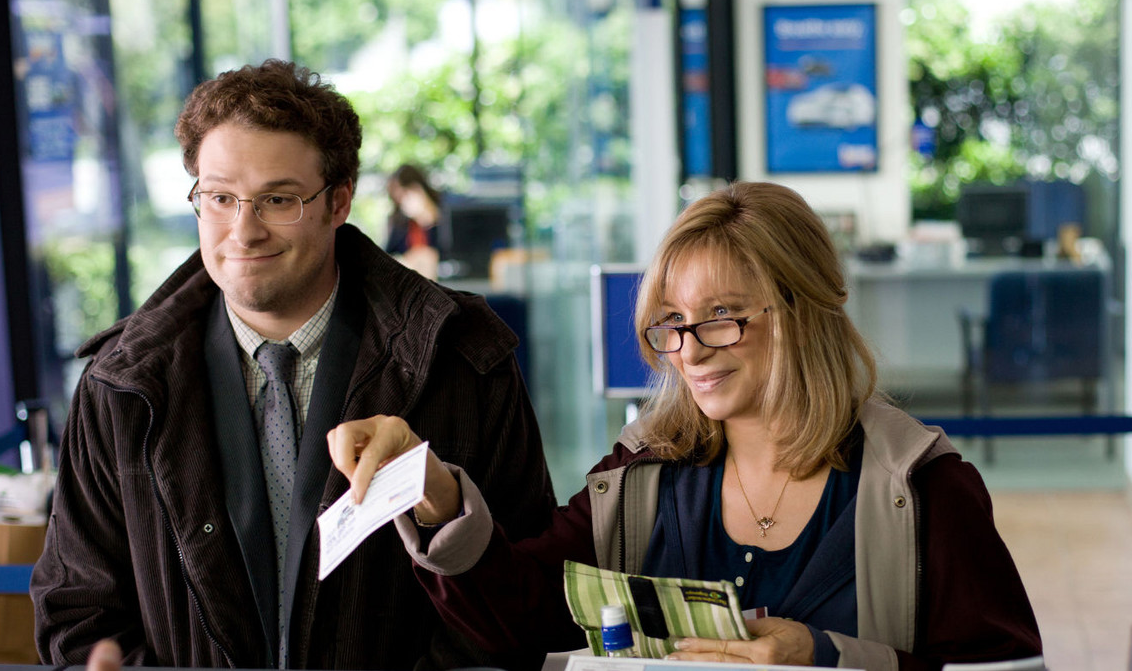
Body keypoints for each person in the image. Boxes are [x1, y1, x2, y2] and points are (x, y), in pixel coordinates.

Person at [332, 182, 1042, 669]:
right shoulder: (640, 478)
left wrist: (829, 658)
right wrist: (437, 495)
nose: (691, 350)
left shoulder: (921, 490)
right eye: (672, 322)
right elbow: (519, 622)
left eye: (724, 316)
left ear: (804, 310)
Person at [30, 59, 556, 670]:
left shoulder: (462, 359)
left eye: (277, 199)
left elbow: (520, 601)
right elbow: (76, 611)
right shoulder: (120, 385)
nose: (243, 231)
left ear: (339, 201)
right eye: (220, 198)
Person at [384, 163, 442, 280]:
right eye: (398, 199)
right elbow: (387, 257)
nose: (403, 203)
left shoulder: (446, 215)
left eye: (406, 194)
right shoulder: (400, 225)